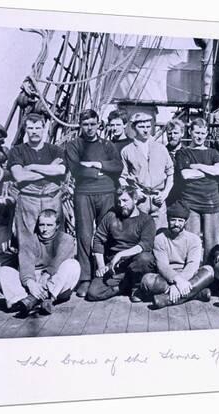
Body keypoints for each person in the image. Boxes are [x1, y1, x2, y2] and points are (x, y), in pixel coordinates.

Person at [65, 109, 123, 297]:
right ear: (80, 125)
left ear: (99, 124)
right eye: (85, 124)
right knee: (84, 235)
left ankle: (104, 273)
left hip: (107, 193)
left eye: (92, 124)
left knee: (106, 234)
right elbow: (75, 169)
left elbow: (118, 166)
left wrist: (97, 165)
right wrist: (99, 173)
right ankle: (85, 278)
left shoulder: (107, 145)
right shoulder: (74, 145)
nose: (89, 128)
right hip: (83, 194)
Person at [7, 113, 67, 284]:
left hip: (52, 198)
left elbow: (61, 171)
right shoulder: (17, 151)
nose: (34, 131)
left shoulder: (55, 150)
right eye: (30, 128)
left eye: (37, 128)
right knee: (26, 241)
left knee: (55, 239)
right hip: (28, 200)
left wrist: (32, 167)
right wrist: (49, 168)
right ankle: (28, 280)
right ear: (25, 129)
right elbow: (19, 176)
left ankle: (53, 279)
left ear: (44, 128)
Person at [0, 209, 80, 315]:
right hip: (34, 282)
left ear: (57, 226)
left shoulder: (65, 239)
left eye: (49, 225)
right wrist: (30, 283)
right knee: (0, 271)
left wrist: (46, 275)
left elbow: (57, 261)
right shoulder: (29, 240)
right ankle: (28, 300)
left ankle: (35, 300)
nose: (45, 229)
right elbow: (26, 264)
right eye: (42, 225)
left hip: (55, 283)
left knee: (73, 265)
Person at [87, 186, 157, 301]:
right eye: (119, 201)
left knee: (145, 258)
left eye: (125, 200)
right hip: (115, 267)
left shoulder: (146, 220)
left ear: (135, 200)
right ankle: (123, 286)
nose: (121, 204)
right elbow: (98, 239)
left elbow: (145, 245)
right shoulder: (111, 216)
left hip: (135, 264)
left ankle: (136, 287)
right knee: (93, 293)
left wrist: (120, 255)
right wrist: (101, 266)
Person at [139, 201, 214, 309]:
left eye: (180, 220)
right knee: (147, 280)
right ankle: (196, 293)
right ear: (168, 220)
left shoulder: (194, 239)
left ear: (185, 222)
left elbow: (192, 266)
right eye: (173, 220)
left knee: (209, 270)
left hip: (189, 277)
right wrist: (177, 281)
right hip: (166, 278)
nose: (176, 223)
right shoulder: (159, 239)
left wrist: (178, 284)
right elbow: (162, 266)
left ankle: (167, 299)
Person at [175, 118, 219, 262]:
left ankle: (212, 272)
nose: (199, 136)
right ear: (190, 132)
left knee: (213, 243)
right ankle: (193, 271)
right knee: (192, 240)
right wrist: (210, 170)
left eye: (203, 133)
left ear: (207, 133)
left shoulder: (213, 152)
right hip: (191, 201)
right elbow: (186, 174)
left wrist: (197, 166)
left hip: (211, 201)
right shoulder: (183, 152)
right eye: (197, 132)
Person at [120, 112, 174, 229]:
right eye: (141, 127)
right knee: (138, 234)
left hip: (158, 200)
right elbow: (122, 178)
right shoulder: (127, 151)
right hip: (140, 201)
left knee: (159, 236)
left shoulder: (161, 148)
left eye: (148, 126)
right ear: (134, 128)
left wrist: (165, 193)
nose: (146, 130)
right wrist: (134, 193)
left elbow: (170, 173)